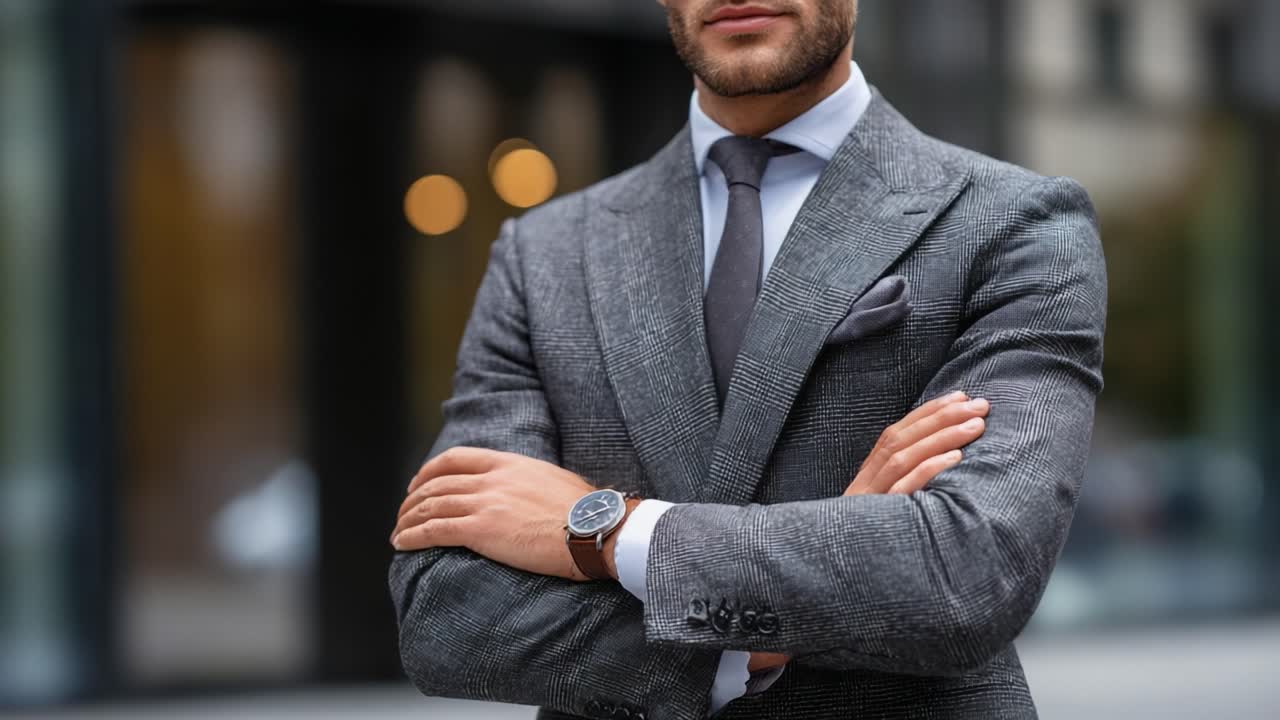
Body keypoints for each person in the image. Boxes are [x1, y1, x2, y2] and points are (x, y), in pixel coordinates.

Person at [388, 0, 1107, 717]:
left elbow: (966, 572)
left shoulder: (1014, 225)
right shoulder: (541, 256)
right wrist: (794, 606)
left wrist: (604, 529)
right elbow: (445, 616)